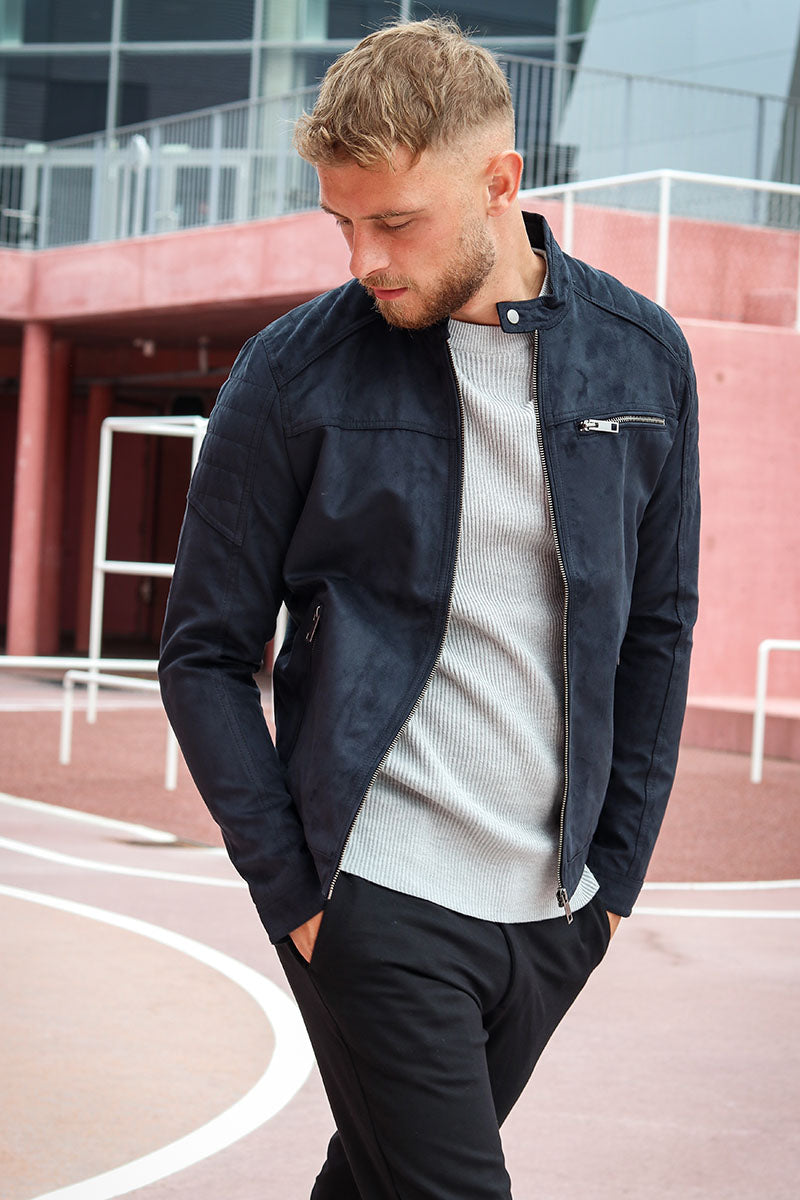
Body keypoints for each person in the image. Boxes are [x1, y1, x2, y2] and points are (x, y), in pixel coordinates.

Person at [159, 17, 700, 1199]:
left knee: (375, 1181)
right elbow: (202, 652)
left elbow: (657, 629)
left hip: (553, 906)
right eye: (340, 223)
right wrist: (295, 894)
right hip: (373, 889)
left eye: (395, 222)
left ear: (500, 181)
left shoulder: (642, 358)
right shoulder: (291, 372)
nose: (364, 258)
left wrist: (611, 887)